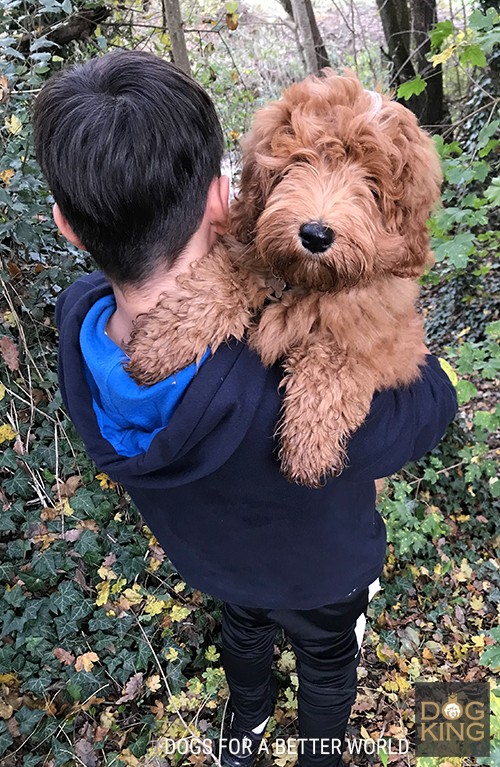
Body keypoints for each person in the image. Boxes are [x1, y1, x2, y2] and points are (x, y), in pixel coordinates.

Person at [33, 50, 458, 767]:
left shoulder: (77, 323)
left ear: (67, 226)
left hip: (212, 562)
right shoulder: (280, 402)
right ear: (230, 195)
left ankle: (242, 735)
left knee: (244, 631)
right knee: (328, 659)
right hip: (323, 572)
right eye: (295, 168)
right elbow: (431, 405)